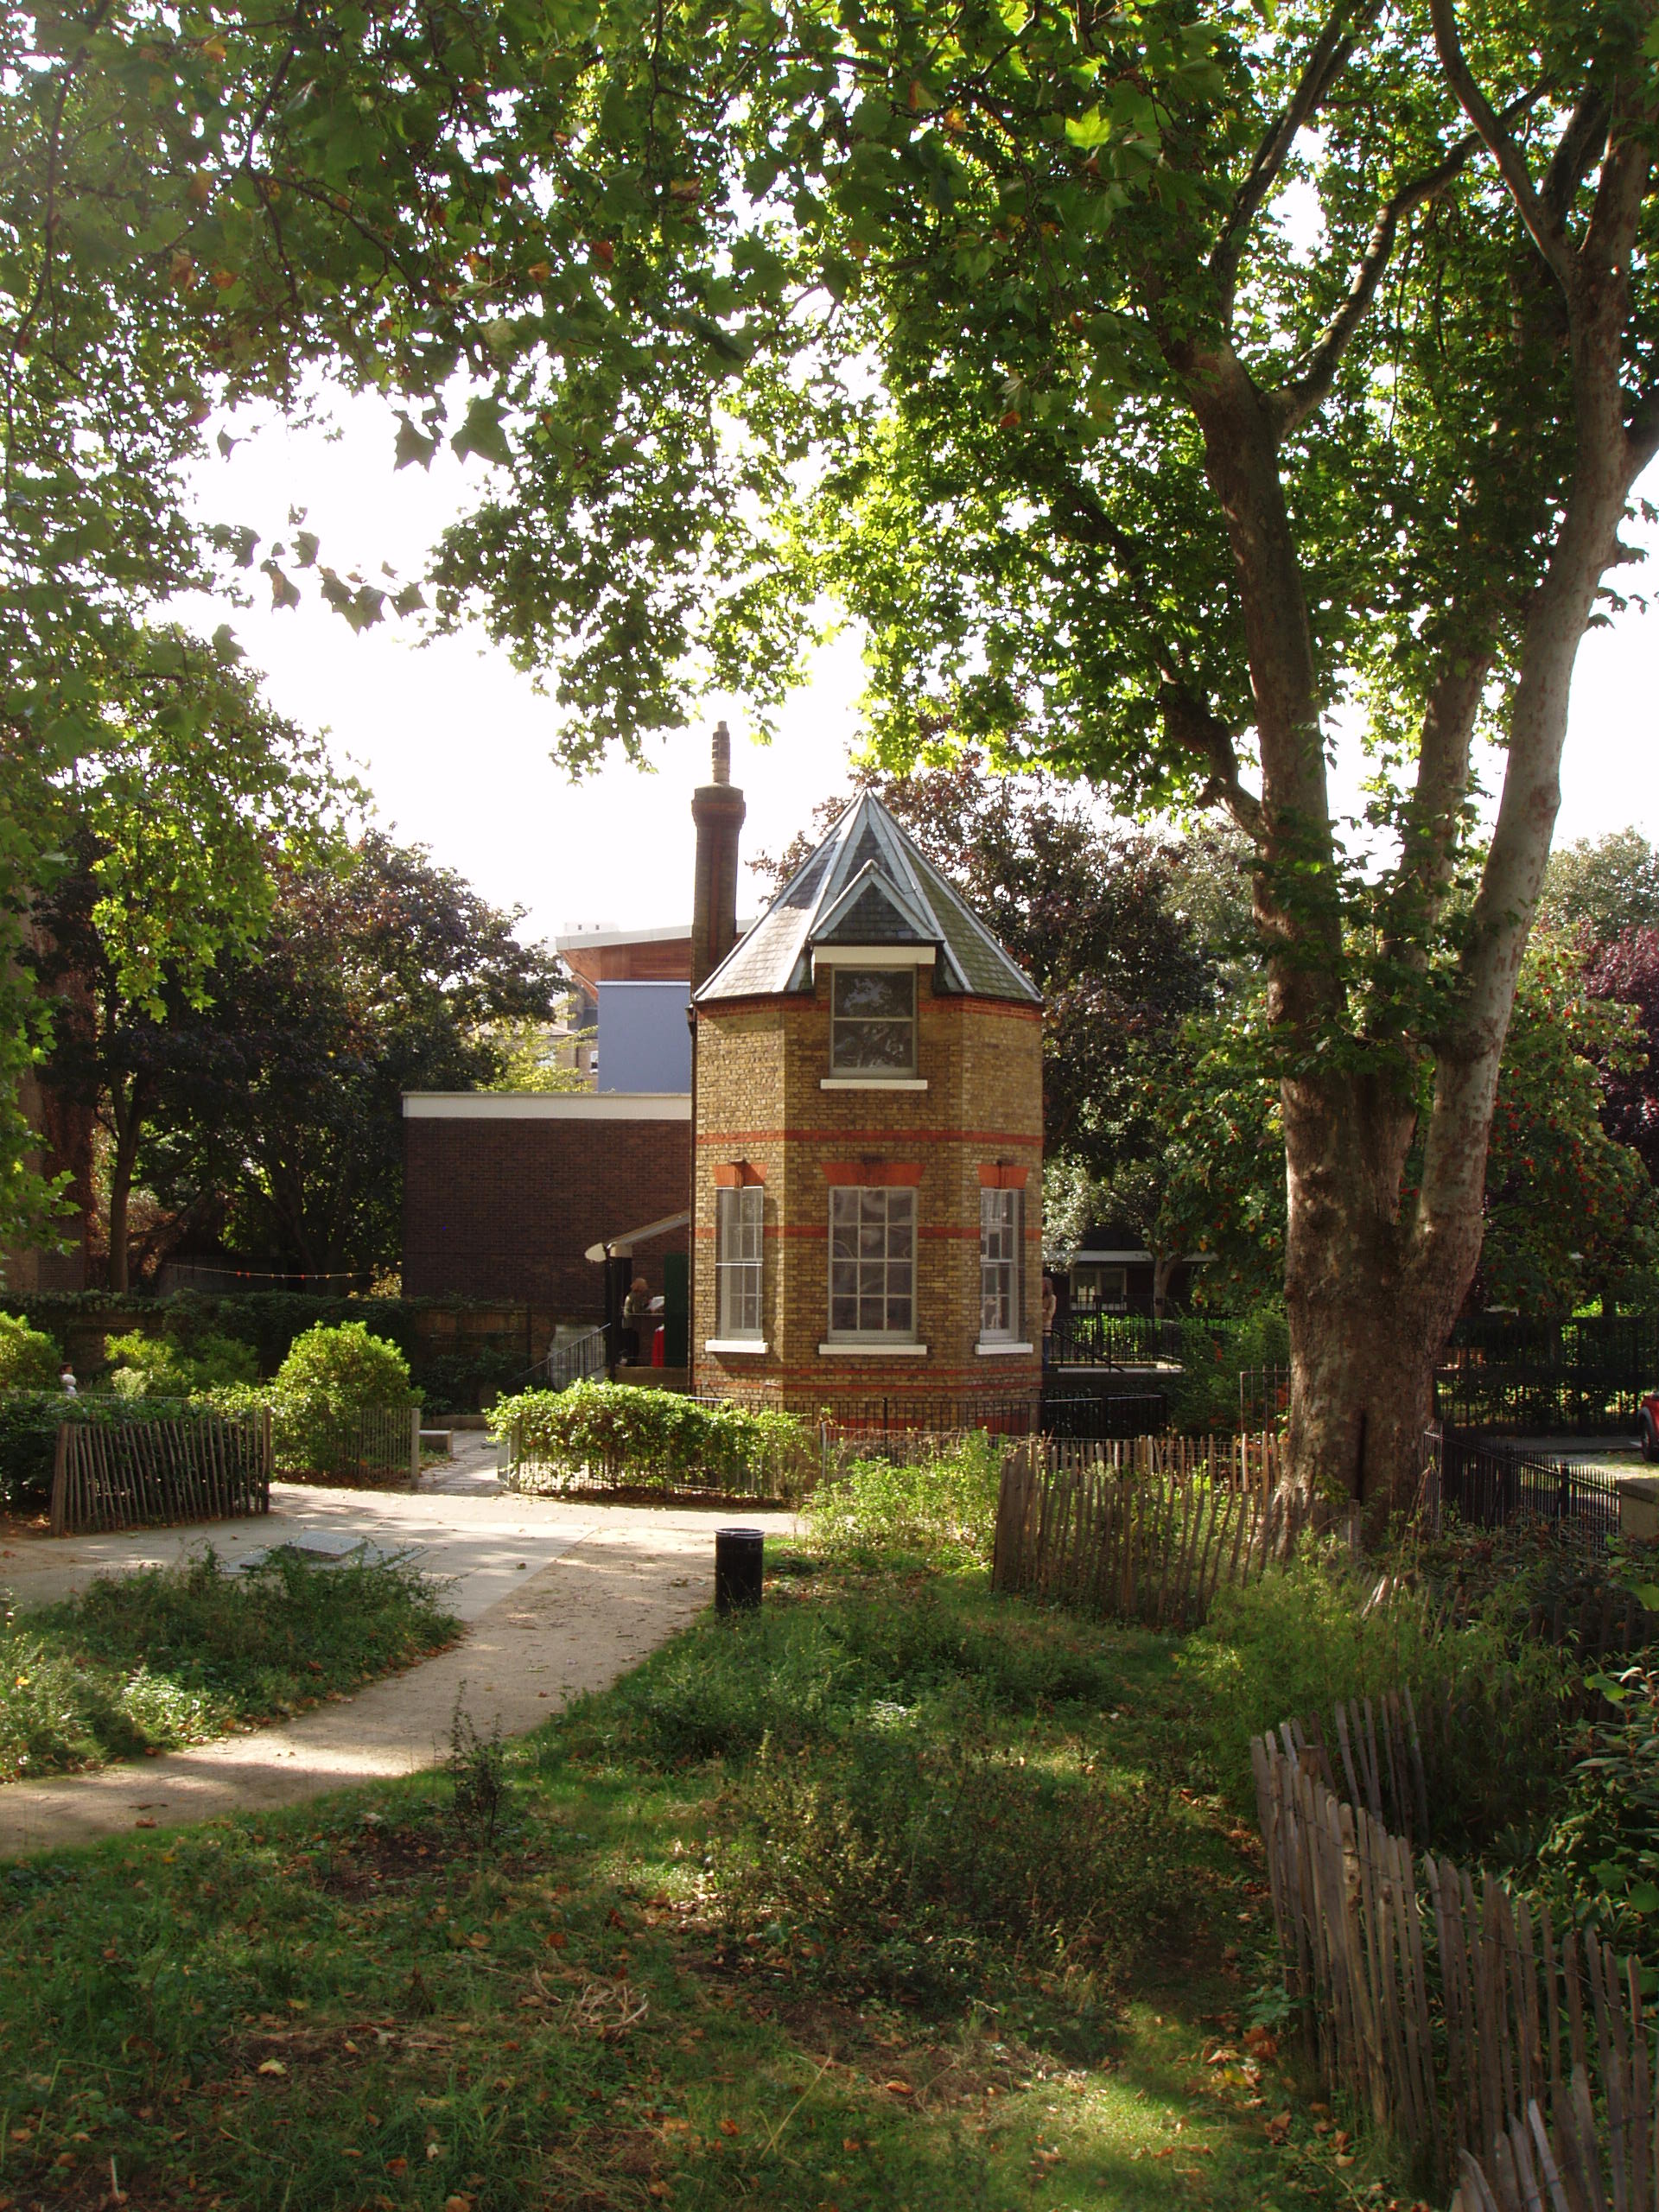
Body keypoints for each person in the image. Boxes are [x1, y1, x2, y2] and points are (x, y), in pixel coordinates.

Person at [620, 1274, 652, 1365]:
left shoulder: (632, 1295)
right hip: (631, 1325)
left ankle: (630, 1362)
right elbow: (637, 1311)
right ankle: (631, 1363)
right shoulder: (636, 1296)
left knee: (631, 1346)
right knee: (634, 1346)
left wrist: (646, 1305)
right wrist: (650, 1310)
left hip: (627, 1324)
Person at [1040, 1274, 1058, 1370]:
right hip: (1036, 1329)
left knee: (1045, 1353)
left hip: (1045, 1329)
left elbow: (1049, 1314)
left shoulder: (1052, 1298)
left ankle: (1046, 1370)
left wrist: (1042, 1312)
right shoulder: (1037, 1298)